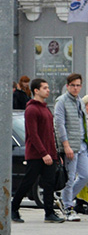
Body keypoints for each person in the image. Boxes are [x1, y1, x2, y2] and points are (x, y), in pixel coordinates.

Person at [11, 78, 67, 223]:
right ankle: (13, 208)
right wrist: (43, 153)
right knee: (28, 182)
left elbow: (50, 134)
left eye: (48, 88)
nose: (48, 90)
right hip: (36, 154)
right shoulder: (31, 109)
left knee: (49, 183)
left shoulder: (45, 108)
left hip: (50, 154)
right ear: (36, 90)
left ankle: (49, 213)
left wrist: (55, 154)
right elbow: (33, 135)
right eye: (45, 88)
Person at [53, 73, 88, 221]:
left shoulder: (80, 101)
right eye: (73, 85)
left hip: (82, 144)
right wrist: (65, 145)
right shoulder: (61, 101)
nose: (75, 88)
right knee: (70, 177)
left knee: (86, 175)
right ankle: (68, 208)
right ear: (67, 86)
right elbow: (59, 124)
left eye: (78, 85)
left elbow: (84, 124)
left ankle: (64, 199)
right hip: (70, 146)